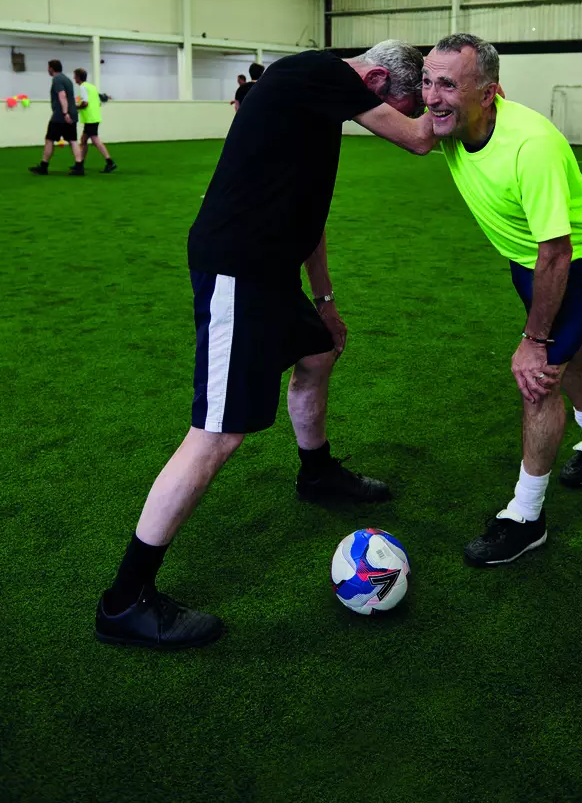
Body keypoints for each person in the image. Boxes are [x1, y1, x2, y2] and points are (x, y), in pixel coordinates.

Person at [96, 42, 434, 649]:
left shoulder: (317, 105)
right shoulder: (315, 74)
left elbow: (310, 214)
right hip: (239, 270)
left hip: (273, 272)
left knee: (317, 354)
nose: (393, 116)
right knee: (218, 432)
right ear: (375, 78)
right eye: (400, 101)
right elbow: (417, 139)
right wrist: (464, 106)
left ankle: (318, 474)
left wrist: (325, 303)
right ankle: (125, 602)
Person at [421, 34, 582, 569]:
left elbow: (557, 252)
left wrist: (532, 342)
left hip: (578, 258)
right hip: (525, 257)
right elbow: (402, 126)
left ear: (489, 93)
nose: (432, 97)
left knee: (540, 375)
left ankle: (526, 517)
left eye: (447, 84)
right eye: (426, 81)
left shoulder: (531, 145)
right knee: (570, 349)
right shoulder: (447, 125)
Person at [28, 60, 84, 177]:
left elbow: (62, 96)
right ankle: (79, 167)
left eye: (48, 68)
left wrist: (64, 113)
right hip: (71, 115)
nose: (48, 70)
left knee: (49, 139)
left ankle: (43, 167)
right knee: (73, 140)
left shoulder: (57, 79)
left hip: (60, 116)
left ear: (52, 68)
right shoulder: (67, 79)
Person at [74, 69, 117, 173]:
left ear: (79, 77)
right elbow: (98, 99)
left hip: (90, 118)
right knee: (84, 140)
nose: (74, 78)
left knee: (95, 140)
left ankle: (110, 162)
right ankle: (79, 164)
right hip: (94, 117)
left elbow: (85, 103)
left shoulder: (83, 87)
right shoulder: (91, 87)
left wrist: (75, 107)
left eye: (75, 76)